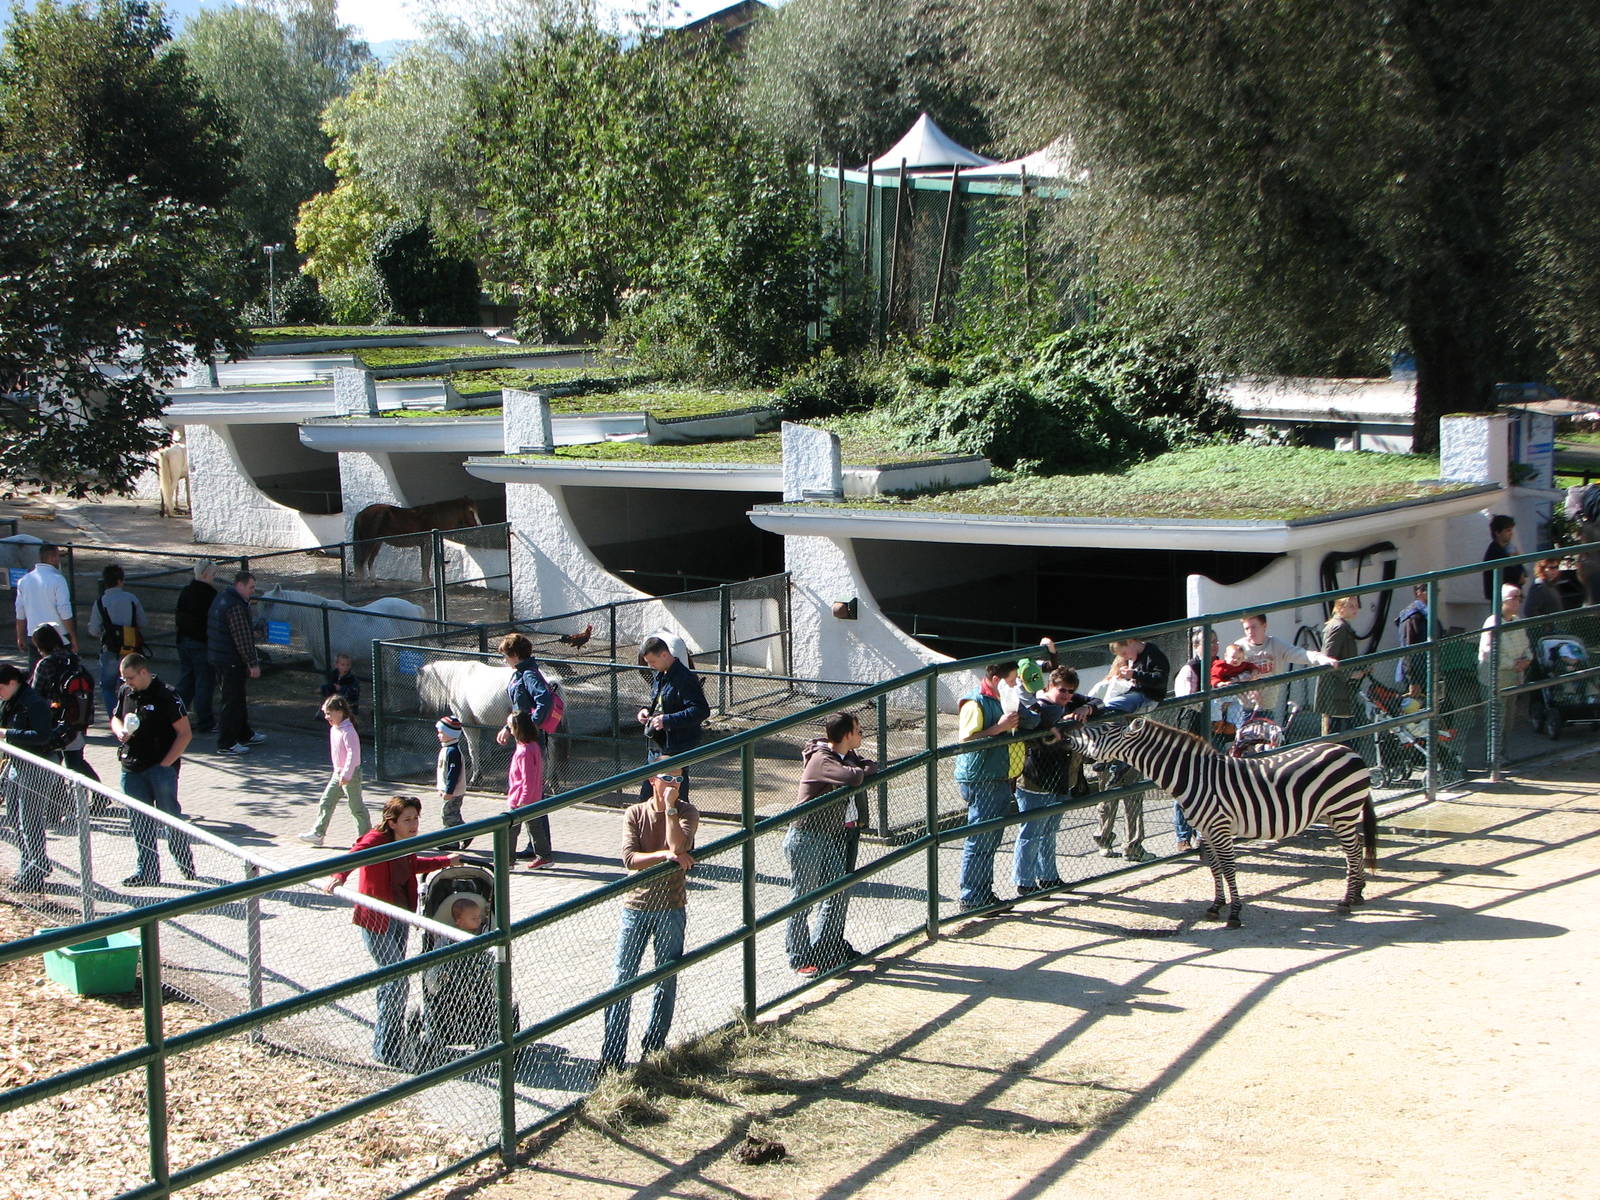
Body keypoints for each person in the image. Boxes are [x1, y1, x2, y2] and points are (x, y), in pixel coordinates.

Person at [325, 795, 459, 1068]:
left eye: (416, 819)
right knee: (397, 979)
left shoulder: (405, 843)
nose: (413, 825)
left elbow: (411, 867)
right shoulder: (377, 839)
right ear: (392, 821)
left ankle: (388, 1039)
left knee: (392, 981)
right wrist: (339, 876)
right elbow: (355, 853)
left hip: (399, 916)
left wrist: (445, 861)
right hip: (377, 919)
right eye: (407, 820)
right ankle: (386, 1046)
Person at [600, 772, 698, 1071]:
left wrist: (670, 810)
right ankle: (612, 1057)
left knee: (665, 978)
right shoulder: (635, 812)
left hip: (671, 906)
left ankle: (653, 1049)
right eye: (668, 778)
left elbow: (680, 847)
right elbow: (630, 859)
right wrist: (665, 855)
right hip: (636, 906)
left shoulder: (687, 811)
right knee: (622, 980)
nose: (674, 785)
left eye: (679, 780)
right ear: (653, 780)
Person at [784, 711, 877, 975]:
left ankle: (825, 949)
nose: (861, 735)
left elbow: (870, 765)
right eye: (858, 731)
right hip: (806, 837)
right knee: (803, 899)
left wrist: (858, 766)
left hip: (827, 835)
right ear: (847, 735)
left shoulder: (844, 757)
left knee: (838, 890)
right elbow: (855, 777)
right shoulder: (822, 759)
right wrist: (859, 768)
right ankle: (799, 957)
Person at [111, 653, 197, 888]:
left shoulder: (166, 694)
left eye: (130, 677)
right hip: (131, 768)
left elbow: (185, 733)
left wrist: (166, 764)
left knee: (171, 817)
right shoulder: (125, 692)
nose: (126, 682)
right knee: (139, 822)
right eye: (123, 678)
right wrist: (119, 731)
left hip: (160, 769)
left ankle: (184, 862)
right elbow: (115, 717)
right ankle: (146, 871)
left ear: (143, 672)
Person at [1014, 668, 1097, 892]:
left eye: (1071, 692)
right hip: (1036, 779)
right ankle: (1025, 881)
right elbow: (1036, 738)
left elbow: (1099, 701)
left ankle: (1049, 877)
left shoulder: (1071, 703)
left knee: (1050, 831)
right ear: (1049, 686)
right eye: (1063, 690)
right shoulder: (1037, 708)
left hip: (1062, 779)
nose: (1067, 695)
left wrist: (1085, 707)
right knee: (1031, 832)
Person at [953, 660, 1021, 913]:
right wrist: (1000, 728)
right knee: (980, 838)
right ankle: (972, 897)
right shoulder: (975, 702)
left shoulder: (1001, 699)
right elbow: (967, 741)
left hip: (997, 775)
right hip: (982, 778)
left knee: (989, 838)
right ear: (996, 679)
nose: (1015, 685)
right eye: (1012, 681)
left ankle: (982, 893)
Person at [0, 661, 60, 889]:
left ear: (12, 683)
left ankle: (35, 870)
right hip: (17, 764)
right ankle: (32, 863)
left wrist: (8, 734)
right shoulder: (10, 701)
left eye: (0, 688)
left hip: (38, 765)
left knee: (30, 821)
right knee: (16, 817)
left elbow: (42, 736)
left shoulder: (33, 703)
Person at [636, 635, 709, 801]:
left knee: (675, 796)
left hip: (676, 746)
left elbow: (701, 710)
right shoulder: (661, 675)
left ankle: (682, 824)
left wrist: (667, 720)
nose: (650, 666)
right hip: (657, 744)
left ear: (664, 655)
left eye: (652, 662)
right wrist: (646, 711)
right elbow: (660, 703)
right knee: (649, 796)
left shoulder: (685, 678)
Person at [1231, 612, 1339, 723]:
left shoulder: (1275, 644)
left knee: (1269, 739)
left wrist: (1321, 658)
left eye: (1253, 627)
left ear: (1264, 626)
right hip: (1246, 709)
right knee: (1246, 739)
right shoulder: (1239, 647)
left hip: (1268, 707)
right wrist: (1248, 689)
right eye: (1246, 628)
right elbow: (1229, 672)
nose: (1250, 632)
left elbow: (1299, 653)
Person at [28, 624, 99, 783]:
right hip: (78, 716)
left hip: (54, 719)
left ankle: (62, 801)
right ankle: (98, 793)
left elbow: (35, 694)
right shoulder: (73, 658)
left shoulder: (45, 663)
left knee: (54, 761)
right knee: (75, 761)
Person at [207, 570, 265, 755]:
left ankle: (243, 733)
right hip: (230, 659)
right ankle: (226, 742)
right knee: (232, 700)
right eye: (251, 587)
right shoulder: (235, 606)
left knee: (237, 698)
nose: (252, 591)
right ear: (240, 585)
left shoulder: (224, 598)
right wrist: (253, 662)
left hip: (220, 655)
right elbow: (242, 638)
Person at [300, 696, 368, 848]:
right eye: (325, 713)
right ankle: (318, 834)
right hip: (338, 774)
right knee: (326, 801)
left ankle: (366, 840)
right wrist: (339, 773)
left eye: (329, 713)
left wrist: (347, 775)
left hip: (350, 775)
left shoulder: (349, 731)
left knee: (356, 807)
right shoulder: (334, 730)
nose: (326, 717)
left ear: (339, 712)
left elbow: (353, 754)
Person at [86, 564, 147, 718]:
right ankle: (131, 715)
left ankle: (115, 717)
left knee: (107, 686)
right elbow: (142, 622)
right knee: (131, 685)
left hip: (111, 650)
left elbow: (93, 629)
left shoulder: (101, 602)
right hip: (131, 649)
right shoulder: (132, 599)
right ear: (121, 580)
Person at [1478, 583, 1532, 749]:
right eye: (1513, 598)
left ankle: (1503, 751)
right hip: (1496, 678)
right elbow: (1489, 653)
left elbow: (1526, 646)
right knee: (1496, 719)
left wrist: (1527, 660)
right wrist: (1513, 664)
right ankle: (1493, 756)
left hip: (1514, 677)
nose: (1518, 602)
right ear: (1502, 601)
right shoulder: (1492, 623)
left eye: (1519, 597)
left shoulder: (1517, 622)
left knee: (1509, 719)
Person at [173, 560, 218, 734]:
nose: (214, 578)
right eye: (213, 574)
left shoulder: (186, 592)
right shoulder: (209, 596)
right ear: (206, 575)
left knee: (187, 680)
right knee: (204, 683)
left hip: (184, 641)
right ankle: (205, 721)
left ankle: (176, 716)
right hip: (201, 643)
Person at [505, 710, 552, 866]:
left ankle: (507, 860)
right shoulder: (533, 746)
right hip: (533, 797)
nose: (509, 729)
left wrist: (523, 801)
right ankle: (544, 856)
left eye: (510, 726)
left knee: (511, 829)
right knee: (535, 828)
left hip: (521, 799)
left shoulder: (524, 751)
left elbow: (528, 778)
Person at [13, 543, 76, 659]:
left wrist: (20, 636)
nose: (59, 560)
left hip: (35, 637)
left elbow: (20, 612)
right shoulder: (58, 580)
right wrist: (72, 637)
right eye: (58, 556)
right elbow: (64, 611)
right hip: (58, 637)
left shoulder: (24, 580)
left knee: (38, 673)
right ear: (52, 558)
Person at [1316, 596, 1365, 738]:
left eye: (1356, 606)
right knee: (1337, 737)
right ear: (1340, 608)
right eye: (1351, 606)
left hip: (1341, 690)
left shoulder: (1343, 626)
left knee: (1342, 733)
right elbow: (1328, 658)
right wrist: (1349, 674)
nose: (1356, 609)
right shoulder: (1338, 627)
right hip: (1334, 692)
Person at [1393, 583, 1438, 697]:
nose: (1436, 594)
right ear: (1419, 593)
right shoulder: (1412, 616)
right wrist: (1413, 681)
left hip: (1428, 669)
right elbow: (1407, 649)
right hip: (1416, 673)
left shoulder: (1428, 613)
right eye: (1431, 591)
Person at [436, 714, 468, 849]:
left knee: (448, 815)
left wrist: (449, 790)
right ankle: (455, 839)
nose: (439, 735)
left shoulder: (452, 751)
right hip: (449, 790)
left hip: (454, 792)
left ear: (450, 734)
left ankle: (464, 834)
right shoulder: (447, 749)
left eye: (441, 732)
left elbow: (452, 774)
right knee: (453, 814)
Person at [1481, 513, 1524, 601]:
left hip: (1510, 597)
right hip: (1502, 599)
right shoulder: (1495, 552)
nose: (1511, 533)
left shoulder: (1508, 549)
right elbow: (1518, 577)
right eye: (1508, 530)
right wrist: (1516, 561)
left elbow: (1523, 576)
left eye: (1511, 530)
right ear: (1497, 533)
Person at [320, 652, 359, 719]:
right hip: (336, 702)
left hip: (349, 704)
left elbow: (354, 691)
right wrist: (324, 688)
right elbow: (330, 687)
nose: (345, 667)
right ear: (337, 665)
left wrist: (341, 688)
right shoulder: (334, 675)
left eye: (348, 665)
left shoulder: (352, 678)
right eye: (343, 665)